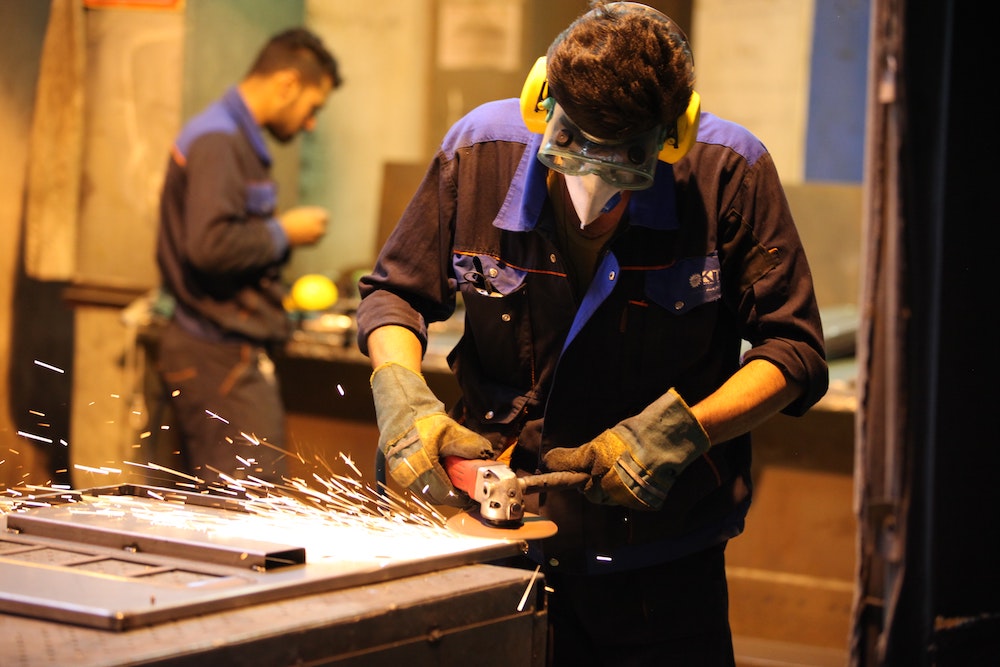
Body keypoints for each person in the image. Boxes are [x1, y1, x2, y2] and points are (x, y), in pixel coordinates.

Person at [356, 2, 827, 665]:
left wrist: (684, 431)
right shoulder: (477, 153)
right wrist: (401, 388)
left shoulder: (731, 175)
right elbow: (396, 294)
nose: (592, 183)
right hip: (494, 549)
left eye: (625, 158)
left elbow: (795, 351)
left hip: (659, 572)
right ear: (540, 103)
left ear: (675, 134)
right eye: (575, 145)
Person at [156, 28, 341, 484]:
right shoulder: (219, 140)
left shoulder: (229, 135)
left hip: (218, 352)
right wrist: (284, 231)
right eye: (313, 108)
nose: (311, 122)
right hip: (216, 354)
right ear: (287, 84)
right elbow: (209, 246)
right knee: (247, 514)